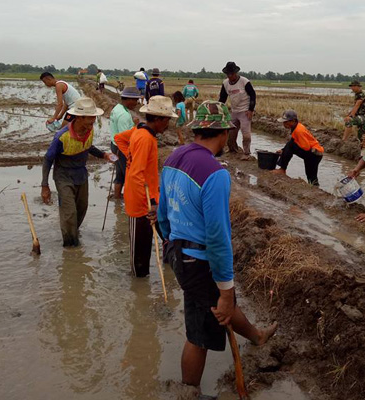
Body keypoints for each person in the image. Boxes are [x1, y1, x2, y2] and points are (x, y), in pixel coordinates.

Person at [158, 101, 278, 388]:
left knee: (218, 304)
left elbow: (163, 214)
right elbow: (217, 237)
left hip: (176, 251)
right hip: (198, 261)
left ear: (197, 129)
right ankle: (188, 392)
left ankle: (257, 336)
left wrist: (170, 244)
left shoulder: (174, 158)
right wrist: (226, 289)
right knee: (200, 333)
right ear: (224, 133)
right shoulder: (215, 173)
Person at [115, 96, 177, 277]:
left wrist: (131, 157)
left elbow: (119, 139)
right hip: (142, 203)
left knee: (168, 237)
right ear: (158, 119)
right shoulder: (144, 138)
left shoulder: (139, 131)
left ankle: (171, 271)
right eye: (167, 121)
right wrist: (150, 203)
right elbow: (136, 175)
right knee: (140, 255)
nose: (168, 125)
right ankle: (139, 286)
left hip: (153, 198)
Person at [40, 97, 113, 247]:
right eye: (90, 118)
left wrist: (104, 155)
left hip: (81, 174)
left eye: (94, 118)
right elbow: (48, 159)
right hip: (63, 175)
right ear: (79, 118)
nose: (92, 122)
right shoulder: (62, 137)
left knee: (82, 208)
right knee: (69, 212)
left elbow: (88, 147)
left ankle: (73, 233)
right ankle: (70, 247)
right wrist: (44, 185)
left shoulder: (89, 130)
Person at [271, 110, 323, 186]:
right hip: (314, 153)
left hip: (314, 153)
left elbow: (306, 147)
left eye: (286, 122)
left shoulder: (299, 130)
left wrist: (290, 149)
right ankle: (315, 189)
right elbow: (293, 140)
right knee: (311, 176)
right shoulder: (296, 127)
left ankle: (282, 169)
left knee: (291, 145)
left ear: (293, 121)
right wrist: (284, 150)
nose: (284, 124)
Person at [218, 61, 256, 160]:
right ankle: (232, 149)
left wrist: (250, 110)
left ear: (236, 73)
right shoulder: (225, 83)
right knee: (230, 132)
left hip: (245, 111)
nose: (230, 76)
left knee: (246, 133)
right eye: (228, 74)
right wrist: (219, 108)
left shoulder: (244, 81)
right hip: (234, 111)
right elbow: (222, 98)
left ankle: (246, 153)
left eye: (232, 74)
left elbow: (253, 95)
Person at [109, 87, 141, 199]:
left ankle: (117, 197)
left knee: (119, 173)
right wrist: (136, 126)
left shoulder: (117, 108)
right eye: (136, 100)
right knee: (129, 175)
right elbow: (125, 138)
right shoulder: (124, 115)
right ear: (129, 99)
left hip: (114, 146)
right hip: (121, 148)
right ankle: (129, 200)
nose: (137, 103)